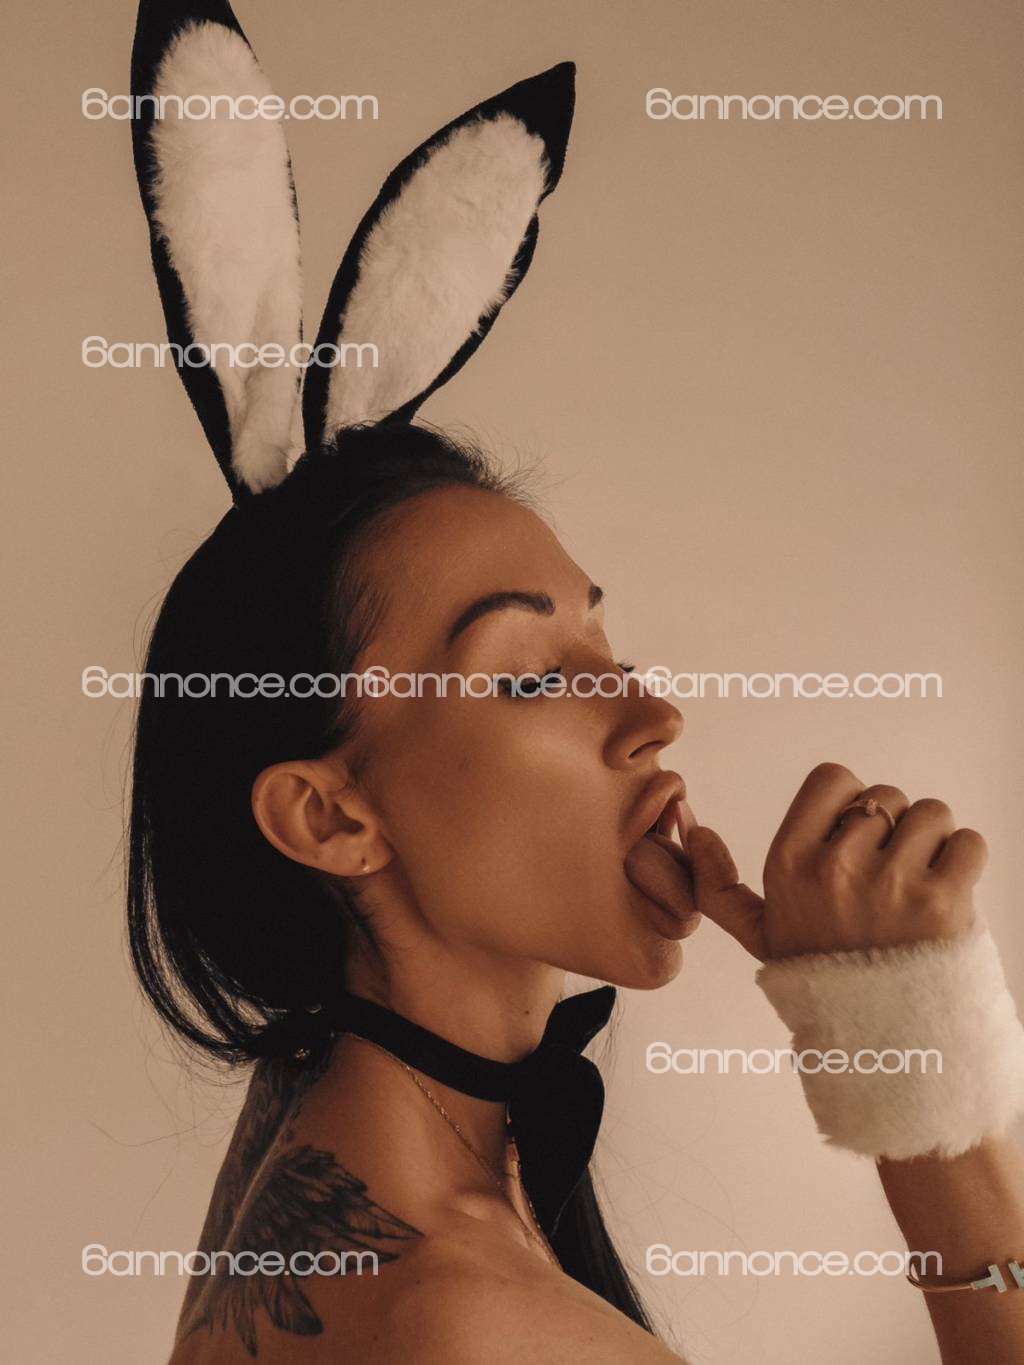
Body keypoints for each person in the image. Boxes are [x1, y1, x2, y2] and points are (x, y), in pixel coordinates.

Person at [125, 6, 1024, 1360]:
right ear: (330, 815)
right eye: (533, 678)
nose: (654, 716)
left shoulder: (321, 1116)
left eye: (607, 651)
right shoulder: (472, 1317)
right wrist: (918, 1062)